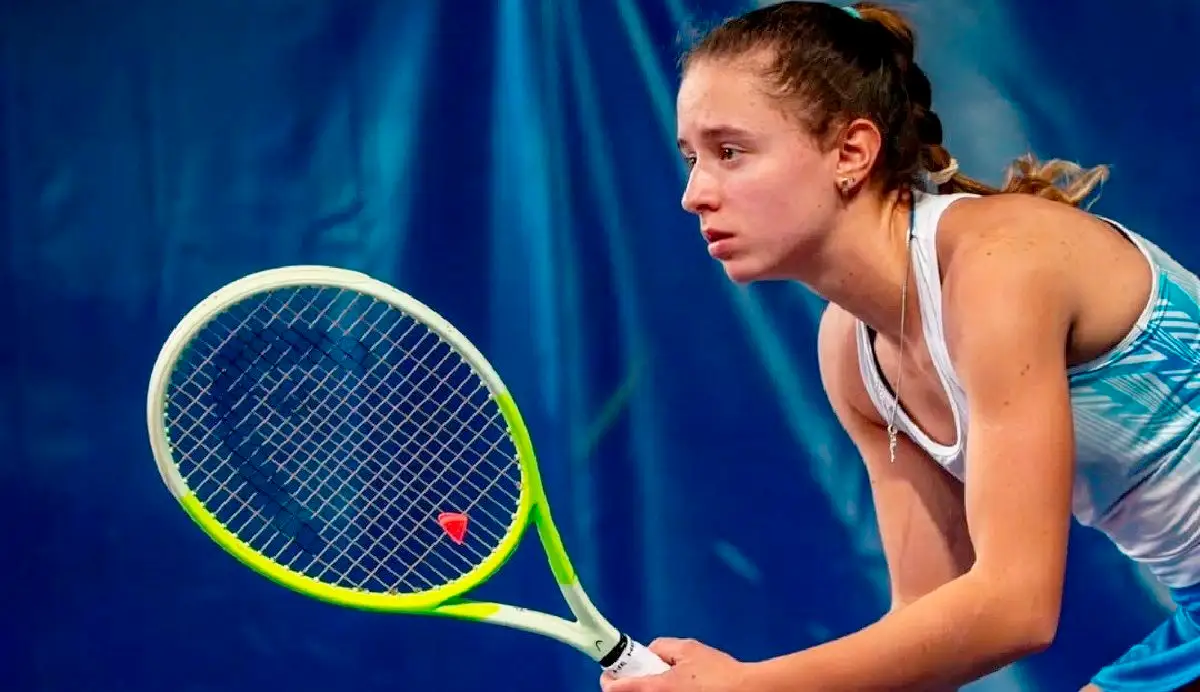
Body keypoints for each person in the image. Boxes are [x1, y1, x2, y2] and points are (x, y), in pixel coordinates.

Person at [599, 2, 1200, 691]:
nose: (694, 194)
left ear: (851, 152)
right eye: (692, 159)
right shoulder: (853, 355)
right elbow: (925, 619)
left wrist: (749, 686)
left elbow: (1015, 608)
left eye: (729, 152)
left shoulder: (1000, 267)